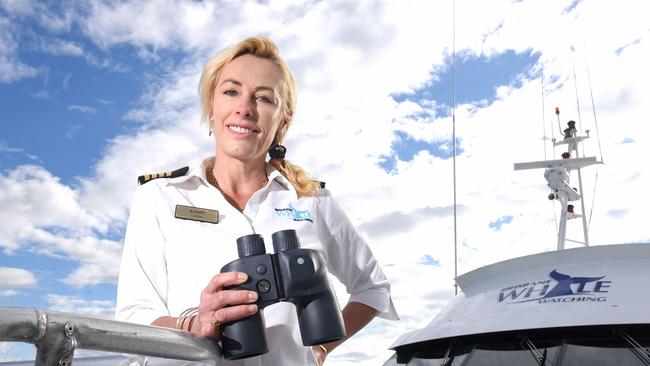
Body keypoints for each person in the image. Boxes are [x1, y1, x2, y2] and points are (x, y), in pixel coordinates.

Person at [115, 36, 398, 365]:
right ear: (211, 106)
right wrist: (194, 323)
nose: (245, 109)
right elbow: (133, 318)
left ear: (283, 120)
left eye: (263, 98)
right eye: (231, 91)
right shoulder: (160, 196)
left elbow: (373, 287)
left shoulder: (312, 200)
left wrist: (320, 349)